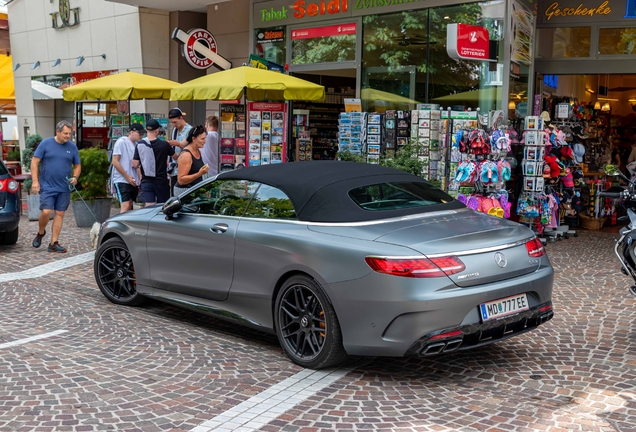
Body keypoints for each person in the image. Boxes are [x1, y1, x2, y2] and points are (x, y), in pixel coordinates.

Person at [31, 120, 81, 253]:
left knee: (60, 213)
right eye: (65, 133)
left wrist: (75, 177)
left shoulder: (72, 147)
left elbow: (77, 165)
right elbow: (35, 162)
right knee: (46, 212)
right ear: (57, 132)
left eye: (69, 134)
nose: (67, 136)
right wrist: (35, 181)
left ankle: (53, 243)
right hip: (47, 185)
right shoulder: (46, 144)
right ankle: (41, 232)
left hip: (64, 187)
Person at [132, 119, 178, 207]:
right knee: (162, 207)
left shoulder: (140, 145)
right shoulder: (164, 145)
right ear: (157, 130)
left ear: (146, 130)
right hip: (161, 181)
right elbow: (176, 157)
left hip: (146, 181)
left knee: (149, 207)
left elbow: (135, 164)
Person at [111, 123, 143, 213]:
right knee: (125, 206)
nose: (141, 135)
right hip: (122, 179)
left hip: (133, 180)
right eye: (139, 133)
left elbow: (137, 164)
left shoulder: (136, 145)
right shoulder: (121, 141)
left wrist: (140, 178)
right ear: (132, 132)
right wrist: (126, 177)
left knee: (130, 206)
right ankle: (120, 226)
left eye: (142, 133)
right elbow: (115, 161)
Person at [174, 126, 210, 196]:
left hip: (194, 190)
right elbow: (181, 180)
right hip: (184, 191)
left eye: (205, 138)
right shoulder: (186, 155)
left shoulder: (198, 151)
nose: (205, 141)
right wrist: (199, 173)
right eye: (202, 139)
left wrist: (203, 190)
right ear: (193, 139)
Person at [167, 108, 192, 195]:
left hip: (185, 167)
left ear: (181, 118)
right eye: (172, 123)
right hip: (175, 167)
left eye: (175, 122)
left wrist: (178, 144)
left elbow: (188, 145)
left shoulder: (190, 130)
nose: (174, 125)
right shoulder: (175, 130)